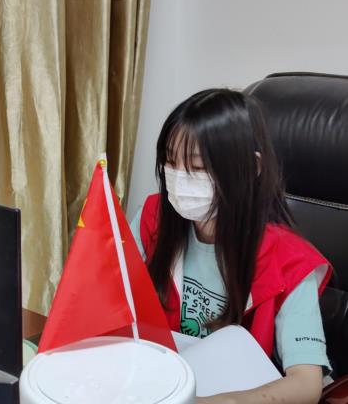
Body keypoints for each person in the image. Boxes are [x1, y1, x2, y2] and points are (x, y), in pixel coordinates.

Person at [130, 89, 333, 404]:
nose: (180, 178)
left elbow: (306, 384)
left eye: (197, 167)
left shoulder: (288, 261)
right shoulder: (152, 219)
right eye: (170, 161)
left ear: (251, 167)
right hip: (159, 380)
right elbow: (109, 300)